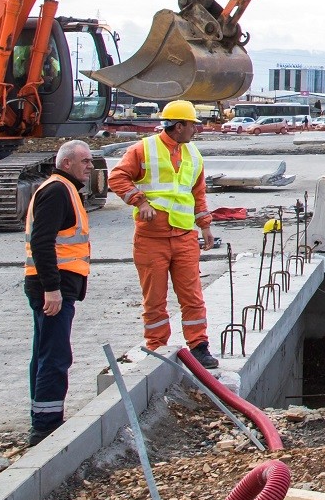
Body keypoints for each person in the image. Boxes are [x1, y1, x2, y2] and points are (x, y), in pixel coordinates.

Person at [109, 100, 219, 369]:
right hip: (151, 239)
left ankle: (199, 346)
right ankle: (157, 346)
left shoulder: (193, 155)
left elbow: (197, 194)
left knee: (192, 296)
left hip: (183, 236)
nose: (196, 129)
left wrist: (205, 225)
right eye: (192, 124)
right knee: (155, 299)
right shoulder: (143, 149)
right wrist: (140, 201)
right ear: (178, 126)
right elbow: (117, 177)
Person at [25, 140, 95, 444]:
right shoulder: (57, 191)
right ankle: (46, 425)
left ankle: (43, 417)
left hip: (56, 285)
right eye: (85, 161)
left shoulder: (63, 189)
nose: (90, 166)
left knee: (46, 352)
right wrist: (52, 289)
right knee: (54, 354)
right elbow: (42, 242)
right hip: (53, 287)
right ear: (66, 163)